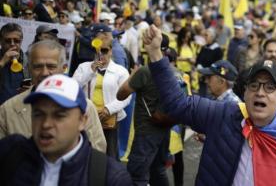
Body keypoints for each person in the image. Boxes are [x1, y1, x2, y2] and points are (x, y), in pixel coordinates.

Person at [142, 25, 276, 185]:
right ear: (245, 92)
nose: (261, 92)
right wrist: (156, 55)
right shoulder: (224, 113)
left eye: (270, 87)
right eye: (254, 85)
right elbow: (178, 104)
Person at [0, 74, 131, 185]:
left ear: (82, 121)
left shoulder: (111, 177)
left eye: (59, 115)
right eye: (38, 114)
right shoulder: (11, 154)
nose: (46, 124)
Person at [0, 40, 106, 151]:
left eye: (51, 66)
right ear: (29, 68)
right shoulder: (8, 109)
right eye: (38, 67)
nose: (45, 72)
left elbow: (97, 151)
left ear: (64, 68)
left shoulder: (85, 107)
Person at [116, 35, 176, 186]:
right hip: (164, 127)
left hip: (146, 131)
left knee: (137, 176)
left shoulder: (145, 71)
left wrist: (133, 75)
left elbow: (121, 94)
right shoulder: (172, 71)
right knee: (158, 171)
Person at [73, 29, 132, 158]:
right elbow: (72, 88)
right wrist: (90, 70)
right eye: (97, 50)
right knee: (86, 153)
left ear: (111, 51)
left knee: (110, 154)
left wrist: (108, 109)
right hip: (87, 117)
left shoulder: (120, 71)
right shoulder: (84, 67)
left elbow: (126, 96)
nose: (101, 54)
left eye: (104, 50)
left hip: (109, 119)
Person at [0, 23, 29, 104]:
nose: (12, 44)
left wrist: (31, 90)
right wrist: (2, 62)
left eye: (16, 41)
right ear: (1, 41)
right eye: (8, 41)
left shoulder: (29, 61)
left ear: (21, 41)